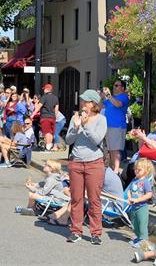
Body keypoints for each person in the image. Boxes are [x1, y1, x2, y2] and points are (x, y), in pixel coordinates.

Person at [65, 89, 107, 245]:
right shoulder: (75, 117)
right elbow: (68, 140)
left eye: (86, 101)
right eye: (82, 101)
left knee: (95, 199)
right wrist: (76, 127)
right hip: (76, 162)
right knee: (76, 199)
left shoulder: (101, 119)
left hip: (94, 163)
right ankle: (76, 231)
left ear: (93, 104)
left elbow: (96, 139)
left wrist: (85, 125)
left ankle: (95, 233)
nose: (83, 103)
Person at [121, 114, 156, 187]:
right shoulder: (152, 134)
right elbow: (141, 149)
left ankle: (139, 195)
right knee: (126, 173)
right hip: (145, 162)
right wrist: (140, 137)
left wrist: (144, 138)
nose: (155, 122)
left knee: (141, 173)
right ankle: (123, 195)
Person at [101, 79, 130, 173]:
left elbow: (118, 104)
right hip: (108, 126)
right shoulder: (111, 98)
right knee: (110, 149)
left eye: (117, 85)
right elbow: (101, 106)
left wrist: (108, 96)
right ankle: (113, 169)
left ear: (122, 87)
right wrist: (100, 97)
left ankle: (116, 170)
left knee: (115, 149)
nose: (114, 87)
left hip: (117, 126)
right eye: (114, 85)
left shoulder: (124, 97)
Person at [126, 158, 154, 247]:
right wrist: (129, 198)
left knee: (142, 224)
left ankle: (143, 241)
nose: (136, 171)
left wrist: (138, 200)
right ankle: (138, 238)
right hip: (133, 207)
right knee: (134, 224)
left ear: (146, 171)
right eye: (135, 169)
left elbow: (149, 194)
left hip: (142, 207)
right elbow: (129, 191)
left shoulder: (145, 182)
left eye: (139, 169)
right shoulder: (134, 180)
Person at [32, 84, 59, 151]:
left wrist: (32, 115)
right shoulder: (55, 98)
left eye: (44, 89)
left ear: (47, 89)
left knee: (46, 132)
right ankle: (49, 146)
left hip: (45, 117)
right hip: (53, 117)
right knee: (51, 133)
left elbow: (39, 107)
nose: (43, 90)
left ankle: (47, 147)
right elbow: (56, 109)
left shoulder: (44, 97)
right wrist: (55, 117)